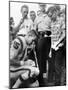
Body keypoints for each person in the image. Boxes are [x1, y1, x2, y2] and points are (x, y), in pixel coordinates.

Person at [36, 3, 51, 87]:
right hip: (41, 38)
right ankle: (40, 78)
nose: (42, 7)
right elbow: (35, 29)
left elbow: (52, 28)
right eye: (41, 6)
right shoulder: (37, 18)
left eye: (43, 6)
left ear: (45, 7)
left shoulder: (49, 17)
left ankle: (47, 78)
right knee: (40, 58)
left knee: (47, 58)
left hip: (48, 38)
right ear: (39, 7)